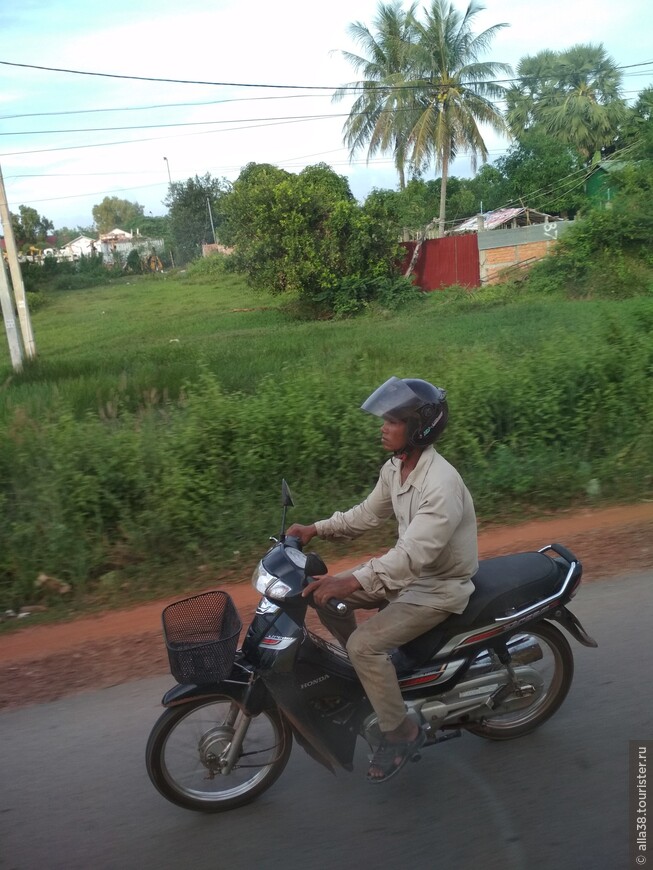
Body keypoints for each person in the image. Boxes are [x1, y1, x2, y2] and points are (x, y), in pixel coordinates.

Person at [286, 376, 478, 783]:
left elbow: (411, 557)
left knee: (363, 643)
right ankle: (372, 671)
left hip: (437, 588)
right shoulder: (397, 468)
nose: (383, 427)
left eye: (393, 420)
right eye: (385, 419)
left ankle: (402, 730)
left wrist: (352, 581)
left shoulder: (439, 484)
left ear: (418, 428)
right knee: (324, 597)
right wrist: (315, 529)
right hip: (409, 577)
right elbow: (366, 515)